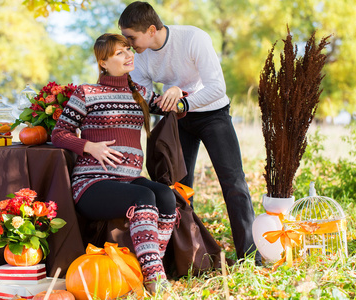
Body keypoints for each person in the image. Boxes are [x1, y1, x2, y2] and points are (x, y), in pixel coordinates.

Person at [118, 1, 261, 264]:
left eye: (131, 37)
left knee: (233, 182)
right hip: (177, 120)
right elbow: (144, 95)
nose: (128, 44)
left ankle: (250, 256)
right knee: (180, 188)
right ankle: (190, 257)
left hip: (212, 114)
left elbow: (217, 87)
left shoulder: (194, 38)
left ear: (151, 30)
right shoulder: (140, 56)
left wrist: (182, 99)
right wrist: (166, 98)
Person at [51, 33, 186, 294]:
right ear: (103, 62)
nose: (128, 55)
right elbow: (59, 133)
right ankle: (154, 279)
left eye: (128, 49)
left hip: (127, 180)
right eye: (119, 53)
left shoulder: (141, 94)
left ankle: (144, 268)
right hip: (92, 184)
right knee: (144, 196)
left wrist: (176, 90)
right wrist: (89, 146)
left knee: (166, 197)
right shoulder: (87, 93)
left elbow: (177, 108)